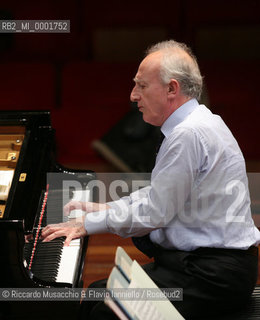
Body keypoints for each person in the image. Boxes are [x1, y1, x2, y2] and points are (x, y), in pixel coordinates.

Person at [41, 40, 260, 319]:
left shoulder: (188, 135)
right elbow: (160, 195)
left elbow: (155, 213)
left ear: (172, 89)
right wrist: (109, 209)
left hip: (212, 277)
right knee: (95, 294)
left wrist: (88, 224)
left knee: (103, 312)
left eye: (142, 86)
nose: (133, 96)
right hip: (209, 267)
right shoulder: (199, 121)